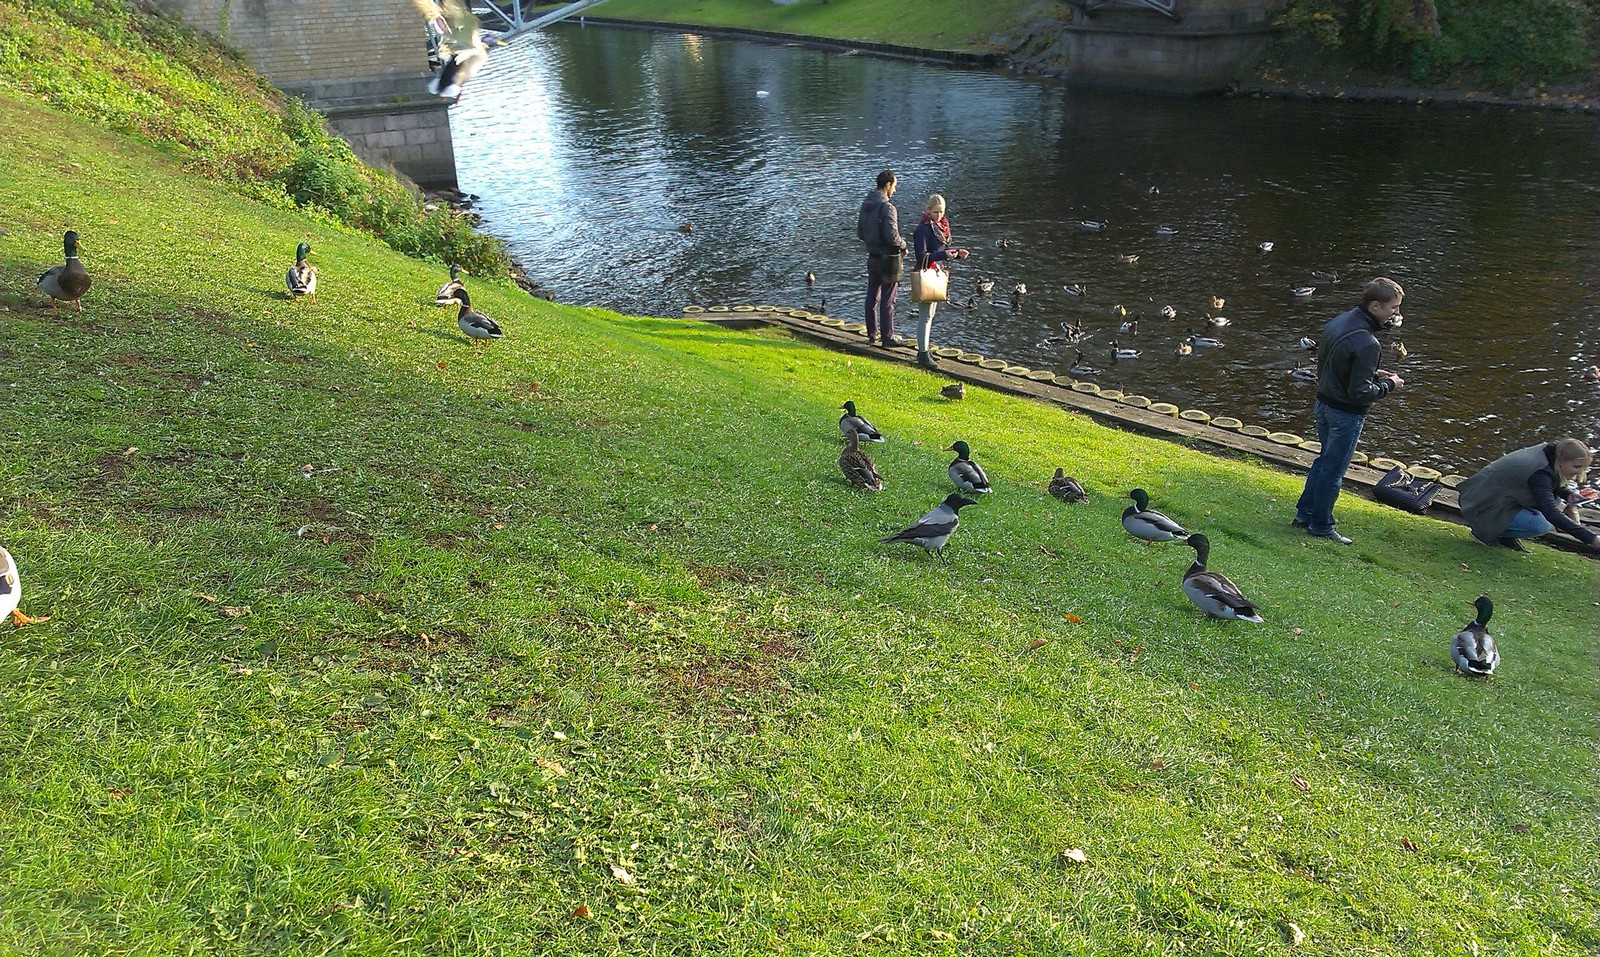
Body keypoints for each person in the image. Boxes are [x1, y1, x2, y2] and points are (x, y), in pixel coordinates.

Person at [1292, 277, 1407, 545]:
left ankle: (1304, 514)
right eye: (1394, 308)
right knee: (1334, 470)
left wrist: (1369, 372)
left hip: (1322, 403)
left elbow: (1332, 361)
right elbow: (1360, 393)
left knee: (1323, 462)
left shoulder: (1340, 320)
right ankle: (1321, 525)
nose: (1397, 314)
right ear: (1376, 305)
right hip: (1344, 414)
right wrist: (1390, 384)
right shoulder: (1368, 343)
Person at [1457, 438, 1599, 552]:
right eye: (1577, 467)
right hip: (1481, 505)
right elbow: (1551, 512)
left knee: (1555, 499)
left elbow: (1549, 483)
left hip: (1492, 496)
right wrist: (1592, 539)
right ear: (1561, 461)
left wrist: (1568, 495)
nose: (1581, 472)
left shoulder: (1551, 453)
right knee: (1540, 525)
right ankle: (1484, 533)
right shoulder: (1540, 473)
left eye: (1584, 467)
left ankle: (1501, 534)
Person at [910, 193, 969, 370]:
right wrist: (944, 254)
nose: (939, 216)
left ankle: (926, 348)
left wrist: (957, 253)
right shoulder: (922, 229)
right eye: (935, 212)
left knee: (931, 315)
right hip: (925, 272)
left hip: (937, 272)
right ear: (927, 210)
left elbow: (941, 250)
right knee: (925, 315)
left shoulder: (941, 227)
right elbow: (921, 256)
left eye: (941, 212)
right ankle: (922, 353)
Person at [856, 169, 908, 349]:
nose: (894, 190)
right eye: (894, 186)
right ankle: (888, 337)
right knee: (888, 299)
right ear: (888, 185)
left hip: (872, 256)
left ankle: (872, 334)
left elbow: (860, 233)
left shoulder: (866, 204)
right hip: (888, 259)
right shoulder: (887, 207)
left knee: (872, 296)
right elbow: (893, 237)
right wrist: (903, 244)